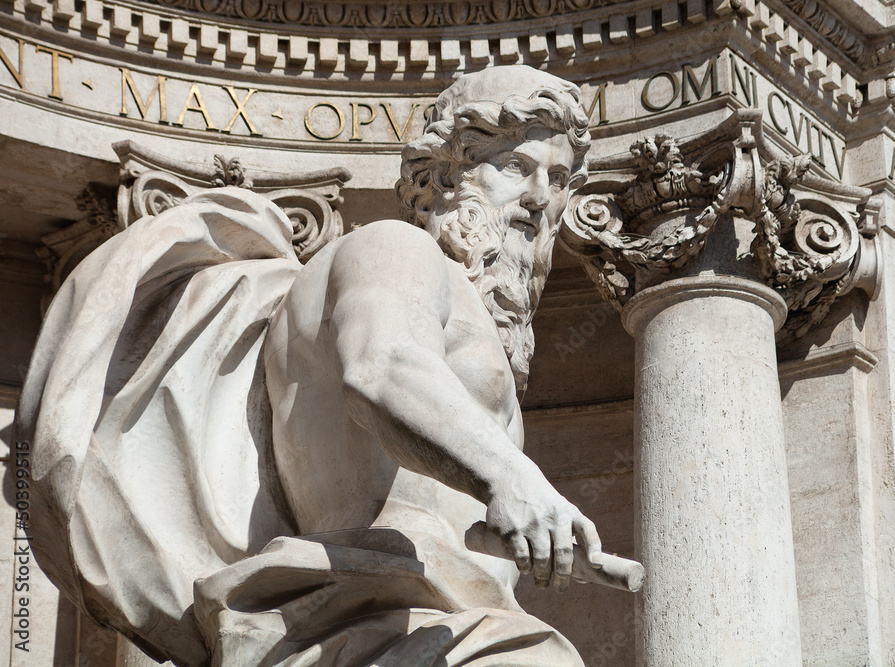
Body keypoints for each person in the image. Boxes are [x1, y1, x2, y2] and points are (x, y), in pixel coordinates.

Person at [16, 66, 602, 666]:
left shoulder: (470, 317)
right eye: (515, 168)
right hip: (375, 616)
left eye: (557, 178)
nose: (539, 197)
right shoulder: (397, 250)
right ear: (447, 175)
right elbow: (382, 365)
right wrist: (512, 478)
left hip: (434, 620)